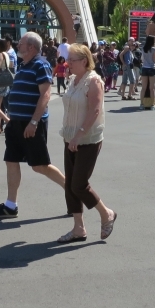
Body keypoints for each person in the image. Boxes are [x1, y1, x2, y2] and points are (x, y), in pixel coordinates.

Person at [0, 32, 65, 220]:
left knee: (40, 166)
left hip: (31, 123)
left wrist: (34, 122)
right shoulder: (23, 65)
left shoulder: (41, 65)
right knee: (11, 160)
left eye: (20, 43)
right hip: (16, 123)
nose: (17, 46)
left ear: (31, 47)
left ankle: (72, 191)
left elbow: (45, 95)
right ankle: (10, 205)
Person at [56, 43, 116, 242]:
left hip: (87, 139)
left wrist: (79, 136)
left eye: (71, 60)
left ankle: (106, 213)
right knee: (70, 185)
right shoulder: (73, 80)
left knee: (79, 184)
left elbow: (94, 111)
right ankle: (78, 228)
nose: (67, 63)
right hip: (70, 137)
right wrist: (71, 136)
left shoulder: (94, 81)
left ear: (84, 61)